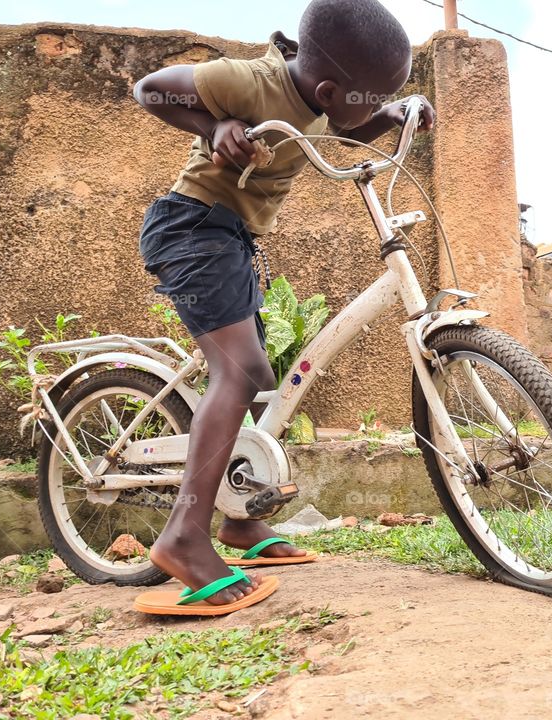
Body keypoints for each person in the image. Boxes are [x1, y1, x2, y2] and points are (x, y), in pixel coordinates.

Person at [132, 0, 435, 609]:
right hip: (190, 227)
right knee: (239, 371)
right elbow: (150, 89)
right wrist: (211, 126)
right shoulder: (246, 81)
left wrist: (394, 114)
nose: (373, 107)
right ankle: (183, 536)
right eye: (372, 97)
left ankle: (239, 521)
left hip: (231, 236)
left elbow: (345, 126)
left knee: (259, 373)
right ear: (329, 87)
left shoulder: (323, 101)